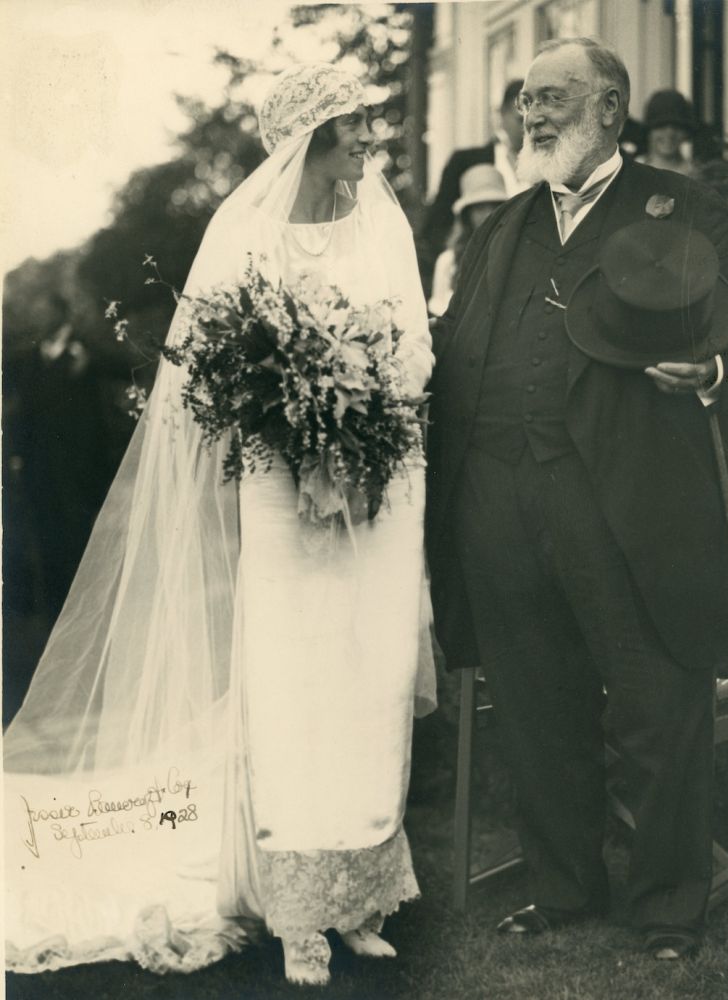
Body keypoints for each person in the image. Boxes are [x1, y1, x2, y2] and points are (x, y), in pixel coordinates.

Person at [4, 63, 435, 988]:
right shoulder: (243, 236)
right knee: (291, 679)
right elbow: (211, 376)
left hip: (383, 484)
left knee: (372, 674)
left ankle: (358, 895)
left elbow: (416, 350)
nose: (370, 141)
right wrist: (295, 416)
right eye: (356, 125)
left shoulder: (385, 224)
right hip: (282, 484)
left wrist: (368, 411)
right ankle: (297, 910)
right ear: (311, 138)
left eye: (368, 125)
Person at [426, 37, 728, 960]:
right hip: (500, 504)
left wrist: (712, 363)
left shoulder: (683, 202)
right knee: (536, 702)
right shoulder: (502, 226)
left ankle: (667, 907)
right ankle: (561, 887)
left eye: (550, 98)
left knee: (656, 702)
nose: (529, 116)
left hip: (633, 505)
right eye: (523, 101)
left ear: (610, 107)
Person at [418, 79, 525, 296]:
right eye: (519, 119)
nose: (527, 128)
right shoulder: (466, 161)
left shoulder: (551, 169)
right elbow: (437, 225)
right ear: (502, 115)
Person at [428, 164, 508, 317]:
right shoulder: (448, 262)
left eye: (495, 207)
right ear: (467, 215)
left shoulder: (518, 254)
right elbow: (439, 313)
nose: (488, 215)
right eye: (479, 208)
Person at [637, 89, 697, 175]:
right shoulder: (631, 172)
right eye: (661, 126)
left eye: (676, 127)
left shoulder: (695, 175)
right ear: (649, 131)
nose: (669, 134)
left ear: (686, 132)